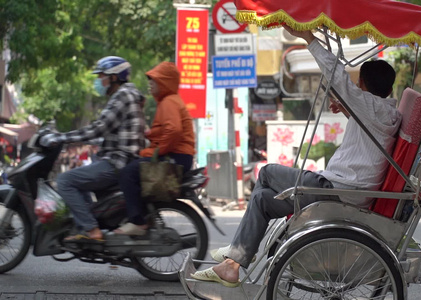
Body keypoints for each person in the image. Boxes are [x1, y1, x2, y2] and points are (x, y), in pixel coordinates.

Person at [191, 26, 402, 287]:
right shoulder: (387, 112)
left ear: (365, 86)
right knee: (262, 199)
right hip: (343, 188)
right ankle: (234, 261)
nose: (356, 88)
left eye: (358, 85)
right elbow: (371, 124)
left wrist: (309, 38)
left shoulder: (371, 107)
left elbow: (337, 76)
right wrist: (348, 110)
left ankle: (241, 250)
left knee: (267, 172)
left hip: (337, 189)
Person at [40, 56, 146, 242]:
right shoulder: (128, 95)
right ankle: (88, 223)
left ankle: (91, 230)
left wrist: (60, 138)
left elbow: (97, 128)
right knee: (77, 178)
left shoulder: (122, 96)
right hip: (120, 159)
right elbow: (105, 131)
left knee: (64, 180)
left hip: (116, 163)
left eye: (102, 76)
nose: (99, 81)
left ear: (114, 77)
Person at [113, 61, 195, 235]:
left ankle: (138, 221)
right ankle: (144, 216)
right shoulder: (168, 101)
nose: (150, 84)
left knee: (128, 173)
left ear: (164, 82)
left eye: (154, 80)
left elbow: (174, 131)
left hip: (176, 155)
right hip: (178, 154)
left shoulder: (169, 102)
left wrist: (158, 152)